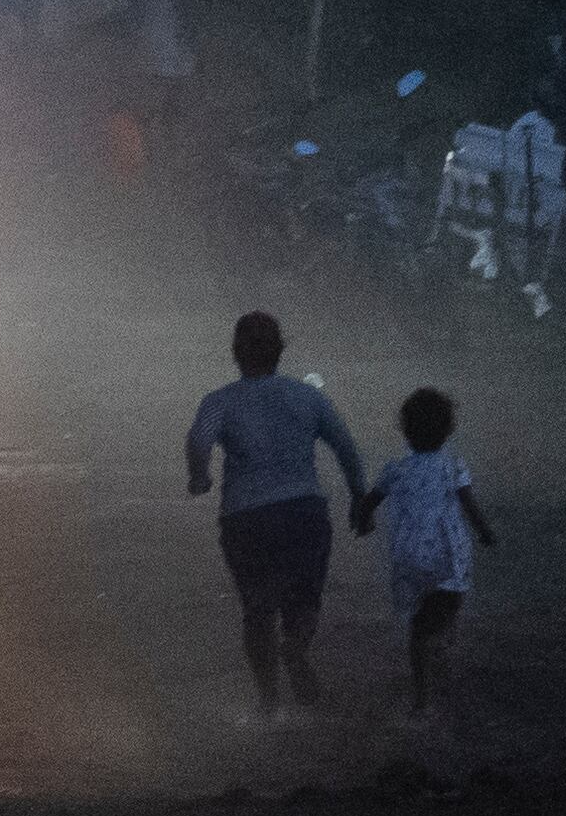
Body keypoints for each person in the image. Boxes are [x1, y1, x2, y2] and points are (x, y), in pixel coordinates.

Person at [184, 308, 365, 717]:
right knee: (304, 597)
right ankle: (297, 649)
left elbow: (199, 441)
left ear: (235, 353)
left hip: (246, 517)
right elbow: (345, 447)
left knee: (257, 607)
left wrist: (200, 479)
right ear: (281, 351)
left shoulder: (220, 401)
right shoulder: (309, 397)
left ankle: (268, 702)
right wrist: (359, 496)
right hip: (304, 510)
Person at [364, 388, 497, 720]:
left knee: (419, 625)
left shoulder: (396, 469)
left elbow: (370, 501)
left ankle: (422, 695)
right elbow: (469, 505)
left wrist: (361, 517)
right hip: (446, 556)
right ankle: (438, 656)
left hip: (409, 557)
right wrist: (484, 530)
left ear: (405, 429)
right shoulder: (452, 466)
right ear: (449, 429)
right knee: (443, 610)